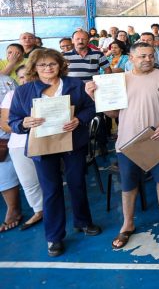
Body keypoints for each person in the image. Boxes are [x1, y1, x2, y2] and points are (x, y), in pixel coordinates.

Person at [86, 42, 159, 249]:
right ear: (131, 58)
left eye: (150, 56)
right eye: (142, 56)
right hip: (127, 141)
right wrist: (95, 97)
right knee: (128, 185)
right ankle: (127, 224)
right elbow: (113, 113)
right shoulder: (119, 81)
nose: (147, 60)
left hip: (157, 139)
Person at [8, 49, 100, 257]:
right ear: (34, 68)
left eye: (52, 64)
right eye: (42, 65)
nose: (48, 68)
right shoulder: (24, 91)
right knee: (51, 190)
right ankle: (54, 237)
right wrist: (24, 123)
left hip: (73, 143)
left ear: (60, 65)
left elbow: (91, 107)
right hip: (43, 146)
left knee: (77, 183)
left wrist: (79, 120)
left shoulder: (75, 85)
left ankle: (83, 222)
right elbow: (13, 121)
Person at [1, 67, 43, 231]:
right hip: (19, 144)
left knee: (50, 179)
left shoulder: (47, 91)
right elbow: (4, 123)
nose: (25, 80)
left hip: (47, 142)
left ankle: (54, 208)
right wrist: (24, 126)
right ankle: (39, 210)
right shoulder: (12, 95)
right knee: (29, 181)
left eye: (28, 76)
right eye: (21, 77)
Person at [0, 72, 21, 233]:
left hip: (12, 128)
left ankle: (13, 208)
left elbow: (20, 101)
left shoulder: (6, 81)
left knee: (5, 168)